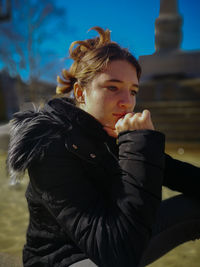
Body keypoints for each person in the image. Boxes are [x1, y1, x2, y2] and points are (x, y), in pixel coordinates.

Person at [7, 27, 200, 267]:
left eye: (133, 91)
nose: (127, 102)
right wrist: (138, 145)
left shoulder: (113, 135)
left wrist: (138, 146)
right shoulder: (50, 146)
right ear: (80, 92)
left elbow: (180, 174)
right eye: (112, 87)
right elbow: (118, 253)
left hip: (115, 243)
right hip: (64, 260)